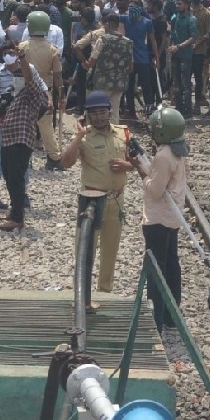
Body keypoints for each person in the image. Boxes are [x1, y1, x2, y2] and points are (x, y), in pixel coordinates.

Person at [59, 90, 134, 296]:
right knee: (85, 251)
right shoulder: (84, 137)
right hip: (91, 202)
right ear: (88, 115)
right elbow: (65, 162)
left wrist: (127, 165)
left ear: (109, 112)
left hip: (116, 200)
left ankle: (104, 293)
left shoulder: (124, 133)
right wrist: (79, 136)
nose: (99, 117)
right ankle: (82, 295)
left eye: (103, 112)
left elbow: (137, 162)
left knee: (110, 252)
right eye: (95, 113)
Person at [132, 107, 190, 333]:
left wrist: (141, 171)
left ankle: (155, 319)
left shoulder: (164, 155)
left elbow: (155, 190)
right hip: (173, 217)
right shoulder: (179, 151)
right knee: (171, 264)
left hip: (157, 218)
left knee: (157, 269)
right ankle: (170, 316)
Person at [0, 49, 48, 231]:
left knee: (16, 178)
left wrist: (23, 59)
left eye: (20, 76)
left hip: (21, 140)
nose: (17, 79)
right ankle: (15, 209)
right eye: (15, 76)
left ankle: (18, 218)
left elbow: (29, 77)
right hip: (8, 140)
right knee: (9, 176)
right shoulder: (13, 95)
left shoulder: (32, 93)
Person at [18, 12, 64, 170]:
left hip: (24, 91)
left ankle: (24, 157)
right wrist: (61, 95)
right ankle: (53, 157)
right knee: (46, 127)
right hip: (46, 93)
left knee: (25, 124)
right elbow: (58, 76)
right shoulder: (53, 50)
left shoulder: (22, 47)